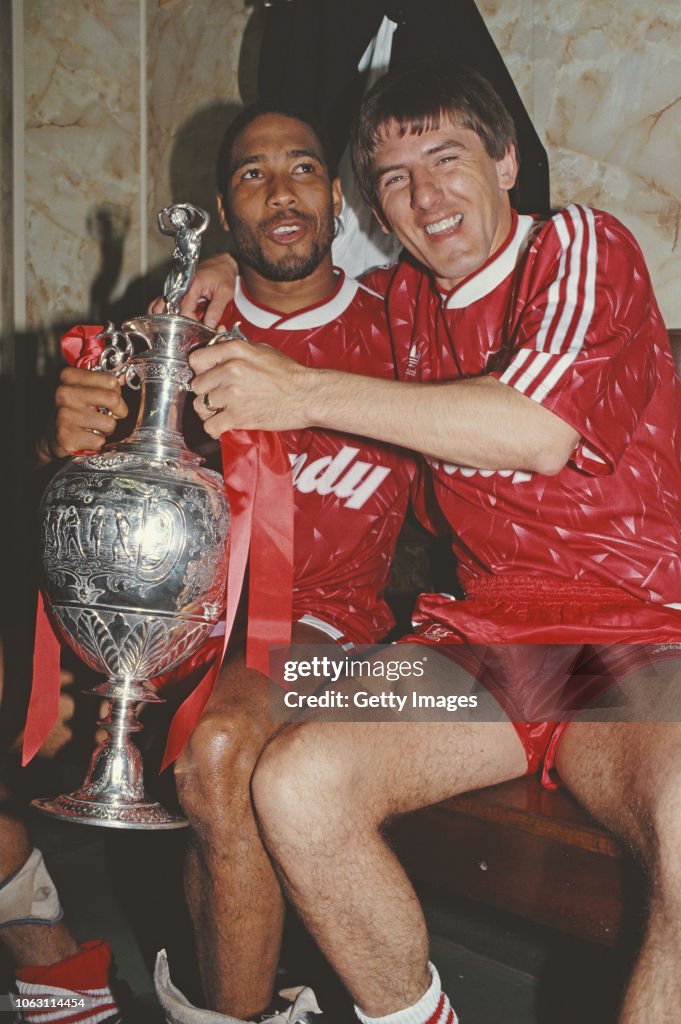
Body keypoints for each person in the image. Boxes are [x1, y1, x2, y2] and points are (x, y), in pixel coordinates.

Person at [182, 63, 681, 1024]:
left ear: (504, 160)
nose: (426, 196)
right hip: (480, 643)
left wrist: (305, 393)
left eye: (446, 158)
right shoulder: (405, 304)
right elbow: (299, 282)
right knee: (293, 781)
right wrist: (217, 270)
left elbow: (536, 429)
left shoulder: (579, 246)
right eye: (395, 179)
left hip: (640, 637)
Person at [53, 104, 415, 1022]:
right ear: (221, 206)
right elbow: (90, 479)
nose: (281, 190)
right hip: (156, 624)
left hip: (318, 626)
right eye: (253, 175)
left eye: (303, 167)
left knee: (218, 748)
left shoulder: (405, 321)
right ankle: (42, 947)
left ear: (338, 197)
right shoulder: (175, 327)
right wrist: (65, 441)